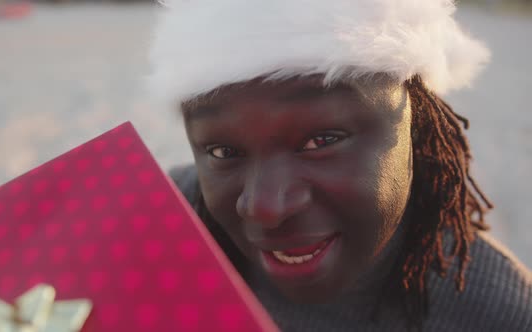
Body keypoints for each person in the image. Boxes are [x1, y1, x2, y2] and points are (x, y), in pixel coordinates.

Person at [147, 0, 532, 331]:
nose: (265, 208)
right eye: (223, 152)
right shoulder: (159, 222)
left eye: (322, 141)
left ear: (415, 125)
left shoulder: (496, 313)